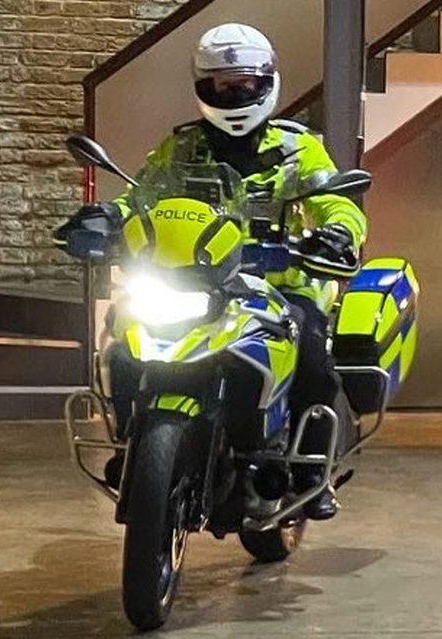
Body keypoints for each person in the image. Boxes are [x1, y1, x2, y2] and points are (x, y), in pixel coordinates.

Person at [57, 23, 366, 520]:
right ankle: (132, 444)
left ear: (267, 82)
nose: (237, 93)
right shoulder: (181, 147)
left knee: (311, 345)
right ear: (204, 87)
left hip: (279, 283)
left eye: (245, 82)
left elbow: (336, 200)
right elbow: (140, 196)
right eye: (224, 85)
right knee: (124, 339)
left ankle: (312, 468)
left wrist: (338, 232)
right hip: (191, 278)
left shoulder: (299, 148)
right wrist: (107, 217)